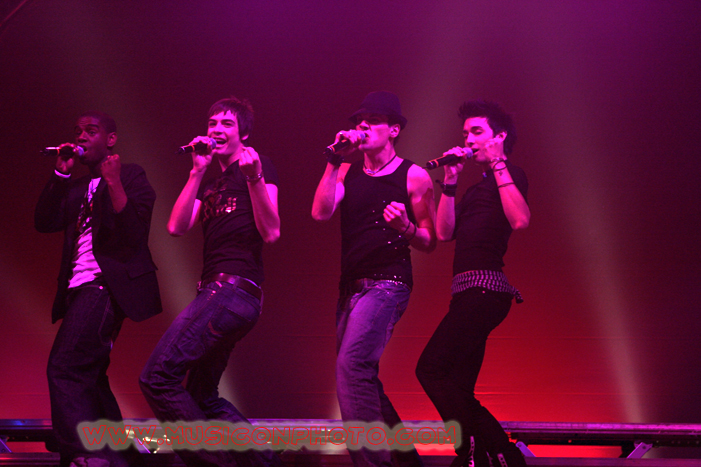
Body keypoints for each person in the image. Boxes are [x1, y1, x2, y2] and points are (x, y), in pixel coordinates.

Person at [139, 97, 281, 467]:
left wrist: (255, 178)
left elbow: (271, 231)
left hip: (232, 289)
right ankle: (263, 459)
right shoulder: (212, 181)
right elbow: (176, 226)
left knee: (158, 377)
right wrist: (197, 172)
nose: (217, 129)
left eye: (227, 124)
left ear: (243, 133)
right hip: (217, 293)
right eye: (212, 123)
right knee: (202, 396)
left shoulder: (258, 166)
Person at [312, 91, 436, 467]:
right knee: (361, 378)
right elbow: (320, 212)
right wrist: (334, 160)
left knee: (351, 367)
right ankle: (407, 461)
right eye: (358, 121)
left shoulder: (413, 175)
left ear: (393, 130)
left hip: (388, 282)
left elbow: (429, 239)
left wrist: (406, 228)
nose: (362, 126)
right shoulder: (347, 172)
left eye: (373, 121)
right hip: (351, 287)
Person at [35, 111, 162, 467]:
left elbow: (134, 233)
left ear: (110, 139)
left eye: (91, 131)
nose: (81, 137)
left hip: (104, 285)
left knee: (64, 367)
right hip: (78, 288)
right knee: (90, 377)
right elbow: (44, 221)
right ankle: (117, 456)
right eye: (77, 131)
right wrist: (61, 173)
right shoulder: (76, 187)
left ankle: (85, 454)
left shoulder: (131, 175)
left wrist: (114, 181)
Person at [415, 100, 530, 467]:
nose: (467, 139)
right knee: (459, 386)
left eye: (476, 132)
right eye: (465, 133)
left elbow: (520, 220)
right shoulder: (473, 190)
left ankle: (473, 448)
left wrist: (498, 164)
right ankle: (499, 455)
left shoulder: (511, 174)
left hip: (486, 291)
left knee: (430, 369)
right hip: (467, 293)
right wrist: (450, 182)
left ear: (499, 137)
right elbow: (444, 232)